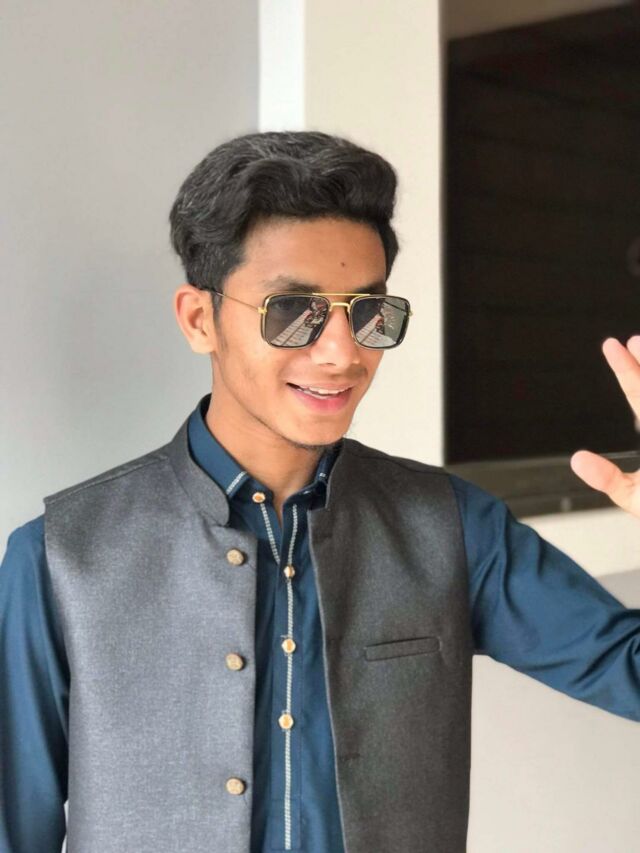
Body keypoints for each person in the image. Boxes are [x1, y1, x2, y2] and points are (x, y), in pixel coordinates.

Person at [0, 130, 638, 853]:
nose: (342, 352)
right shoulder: (60, 559)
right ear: (200, 319)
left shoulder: (454, 527)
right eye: (291, 311)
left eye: (368, 312)